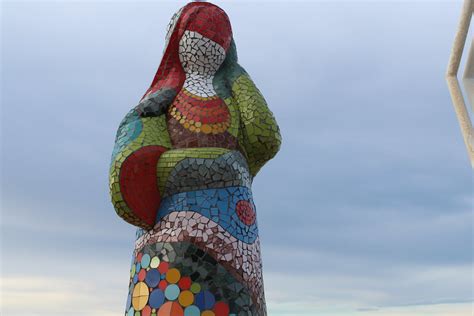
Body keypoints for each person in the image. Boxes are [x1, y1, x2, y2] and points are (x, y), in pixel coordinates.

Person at [109, 2, 281, 315]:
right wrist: (220, 165)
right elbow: (137, 167)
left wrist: (237, 74)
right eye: (198, 36)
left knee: (236, 298)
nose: (210, 45)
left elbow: (266, 138)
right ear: (178, 41)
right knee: (167, 292)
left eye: (219, 40)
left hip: (233, 216)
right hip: (170, 224)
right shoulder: (159, 103)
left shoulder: (231, 92)